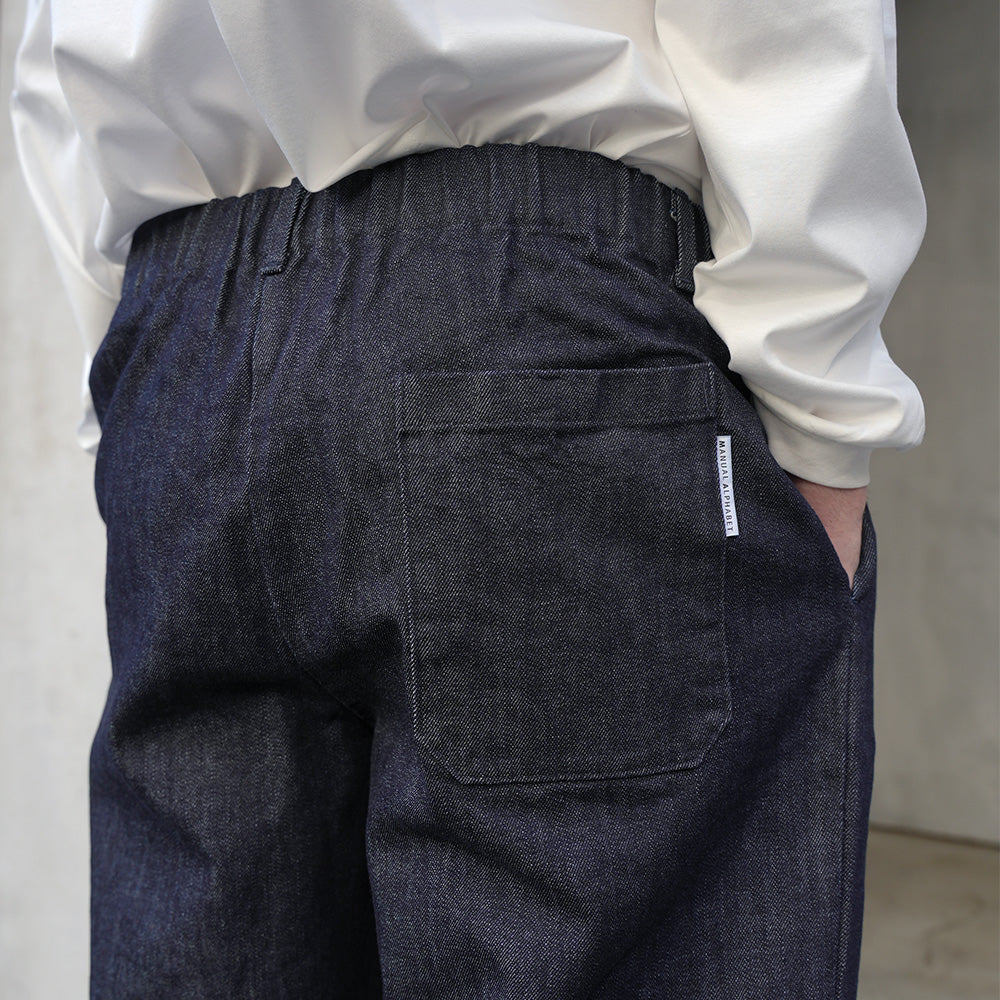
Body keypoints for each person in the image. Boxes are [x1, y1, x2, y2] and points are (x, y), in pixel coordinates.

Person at [10, 1, 925, 997]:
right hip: (535, 313)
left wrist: (132, 377)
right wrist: (821, 404)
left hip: (184, 348)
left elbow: (52, 75)